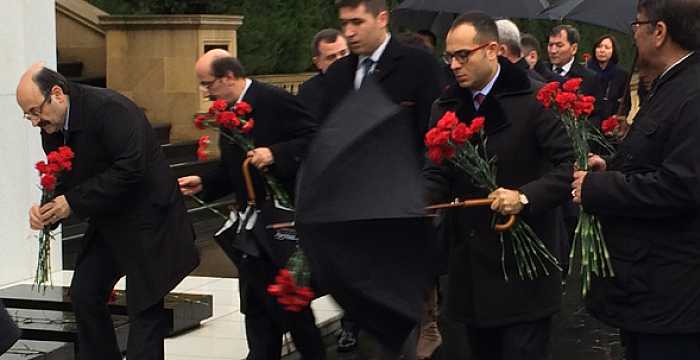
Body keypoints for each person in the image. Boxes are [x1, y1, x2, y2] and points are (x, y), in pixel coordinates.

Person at [16, 64, 199, 360]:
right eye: (28, 115)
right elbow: (62, 176)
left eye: (36, 111)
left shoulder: (110, 109)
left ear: (57, 94)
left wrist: (71, 202)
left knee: (145, 307)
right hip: (110, 220)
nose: (34, 121)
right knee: (86, 293)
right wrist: (47, 211)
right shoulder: (52, 127)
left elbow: (130, 169)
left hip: (149, 218)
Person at [424, 11, 574, 360]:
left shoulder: (535, 99)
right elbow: (437, 172)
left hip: (524, 271)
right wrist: (419, 200)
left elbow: (567, 168)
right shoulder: (445, 105)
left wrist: (523, 197)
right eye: (449, 57)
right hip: (471, 271)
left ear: (492, 50)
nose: (454, 65)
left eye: (464, 55)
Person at [304, 0, 444, 358]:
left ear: (382, 18)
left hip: (406, 207)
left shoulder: (419, 66)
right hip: (355, 212)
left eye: (357, 22)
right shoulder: (336, 77)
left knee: (399, 314)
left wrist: (425, 189)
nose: (348, 32)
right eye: (344, 23)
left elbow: (437, 134)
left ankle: (423, 326)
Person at [571, 1, 700, 359]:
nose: (633, 32)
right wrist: (611, 167)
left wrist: (599, 189)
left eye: (638, 24)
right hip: (651, 288)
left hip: (673, 296)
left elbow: (682, 185)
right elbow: (658, 156)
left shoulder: (692, 92)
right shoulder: (670, 85)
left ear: (659, 32)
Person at [177, 50, 325, 360]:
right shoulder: (227, 110)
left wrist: (275, 154)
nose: (204, 92)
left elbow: (315, 140)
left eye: (208, 84)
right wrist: (206, 183)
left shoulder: (273, 99)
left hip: (282, 221)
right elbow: (233, 165)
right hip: (250, 224)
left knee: (290, 305)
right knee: (256, 306)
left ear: (229, 77)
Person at [297, 29, 349, 120]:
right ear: (317, 63)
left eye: (343, 53)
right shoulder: (309, 92)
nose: (340, 60)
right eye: (331, 57)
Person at [587, 34, 631, 119]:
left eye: (607, 48)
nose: (602, 50)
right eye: (599, 47)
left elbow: (626, 103)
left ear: (613, 51)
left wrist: (618, 116)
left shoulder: (621, 74)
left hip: (609, 122)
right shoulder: (586, 70)